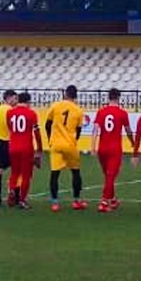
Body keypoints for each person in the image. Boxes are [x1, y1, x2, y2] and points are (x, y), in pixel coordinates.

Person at [44, 84, 87, 212]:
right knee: (75, 172)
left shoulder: (55, 106)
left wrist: (50, 139)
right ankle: (76, 201)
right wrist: (73, 140)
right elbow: (78, 131)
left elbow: (47, 124)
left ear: (65, 94)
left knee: (55, 173)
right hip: (70, 145)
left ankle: (55, 203)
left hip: (56, 144)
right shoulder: (78, 110)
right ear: (75, 96)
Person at [92, 88, 133, 212]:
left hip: (102, 149)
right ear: (118, 98)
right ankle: (104, 202)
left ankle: (113, 199)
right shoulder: (122, 113)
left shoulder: (101, 112)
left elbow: (95, 130)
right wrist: (133, 142)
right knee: (110, 176)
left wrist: (93, 146)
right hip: (114, 150)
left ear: (108, 98)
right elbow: (128, 130)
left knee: (108, 176)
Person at [5, 91, 42, 209]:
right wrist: (39, 148)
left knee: (14, 172)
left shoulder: (9, 112)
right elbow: (36, 132)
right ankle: (22, 200)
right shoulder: (31, 113)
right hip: (26, 147)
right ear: (28, 102)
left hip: (13, 146)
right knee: (26, 175)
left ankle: (11, 189)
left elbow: (10, 128)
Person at [0, 90, 18, 206]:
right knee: (15, 171)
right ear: (9, 98)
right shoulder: (14, 111)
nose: (16, 101)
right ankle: (15, 196)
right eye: (15, 99)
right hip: (12, 142)